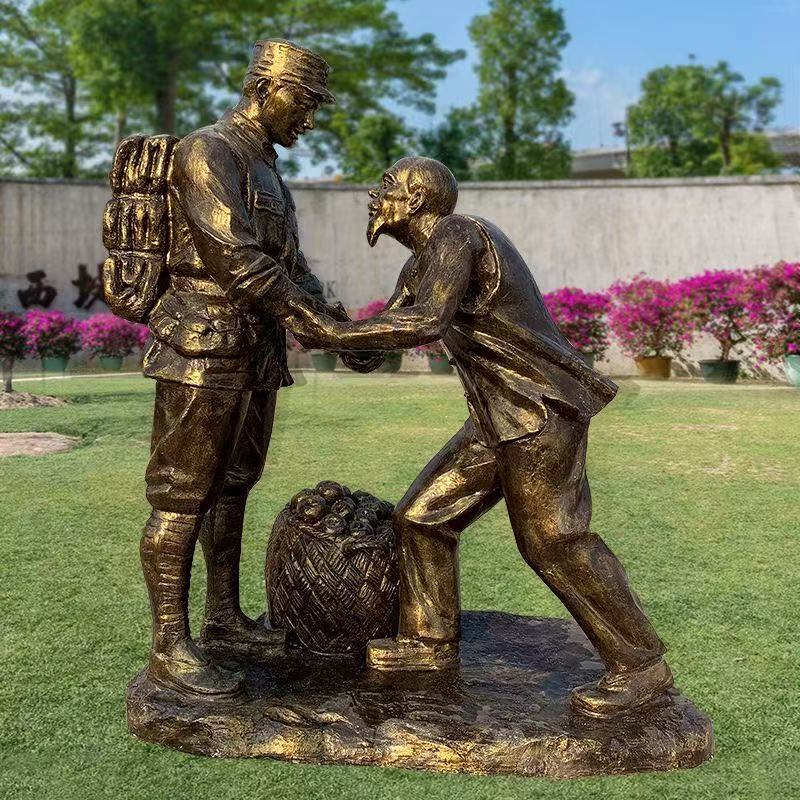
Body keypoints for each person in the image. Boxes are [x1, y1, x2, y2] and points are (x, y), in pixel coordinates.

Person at [286, 156, 674, 718]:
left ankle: (641, 665)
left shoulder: (458, 234)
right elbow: (366, 353)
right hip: (496, 421)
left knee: (553, 540)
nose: (374, 196)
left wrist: (335, 330)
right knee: (421, 517)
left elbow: (426, 323)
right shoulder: (421, 265)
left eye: (387, 186)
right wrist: (310, 308)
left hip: (539, 410)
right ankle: (429, 643)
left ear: (418, 199)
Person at [136, 39, 374, 698]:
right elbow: (236, 259)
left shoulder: (268, 168)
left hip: (256, 347)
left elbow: (290, 266)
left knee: (235, 483)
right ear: (269, 86)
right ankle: (169, 645)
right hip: (202, 345)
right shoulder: (207, 151)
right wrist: (314, 322)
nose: (311, 118)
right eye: (306, 101)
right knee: (183, 495)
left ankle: (221, 621)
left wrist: (344, 327)